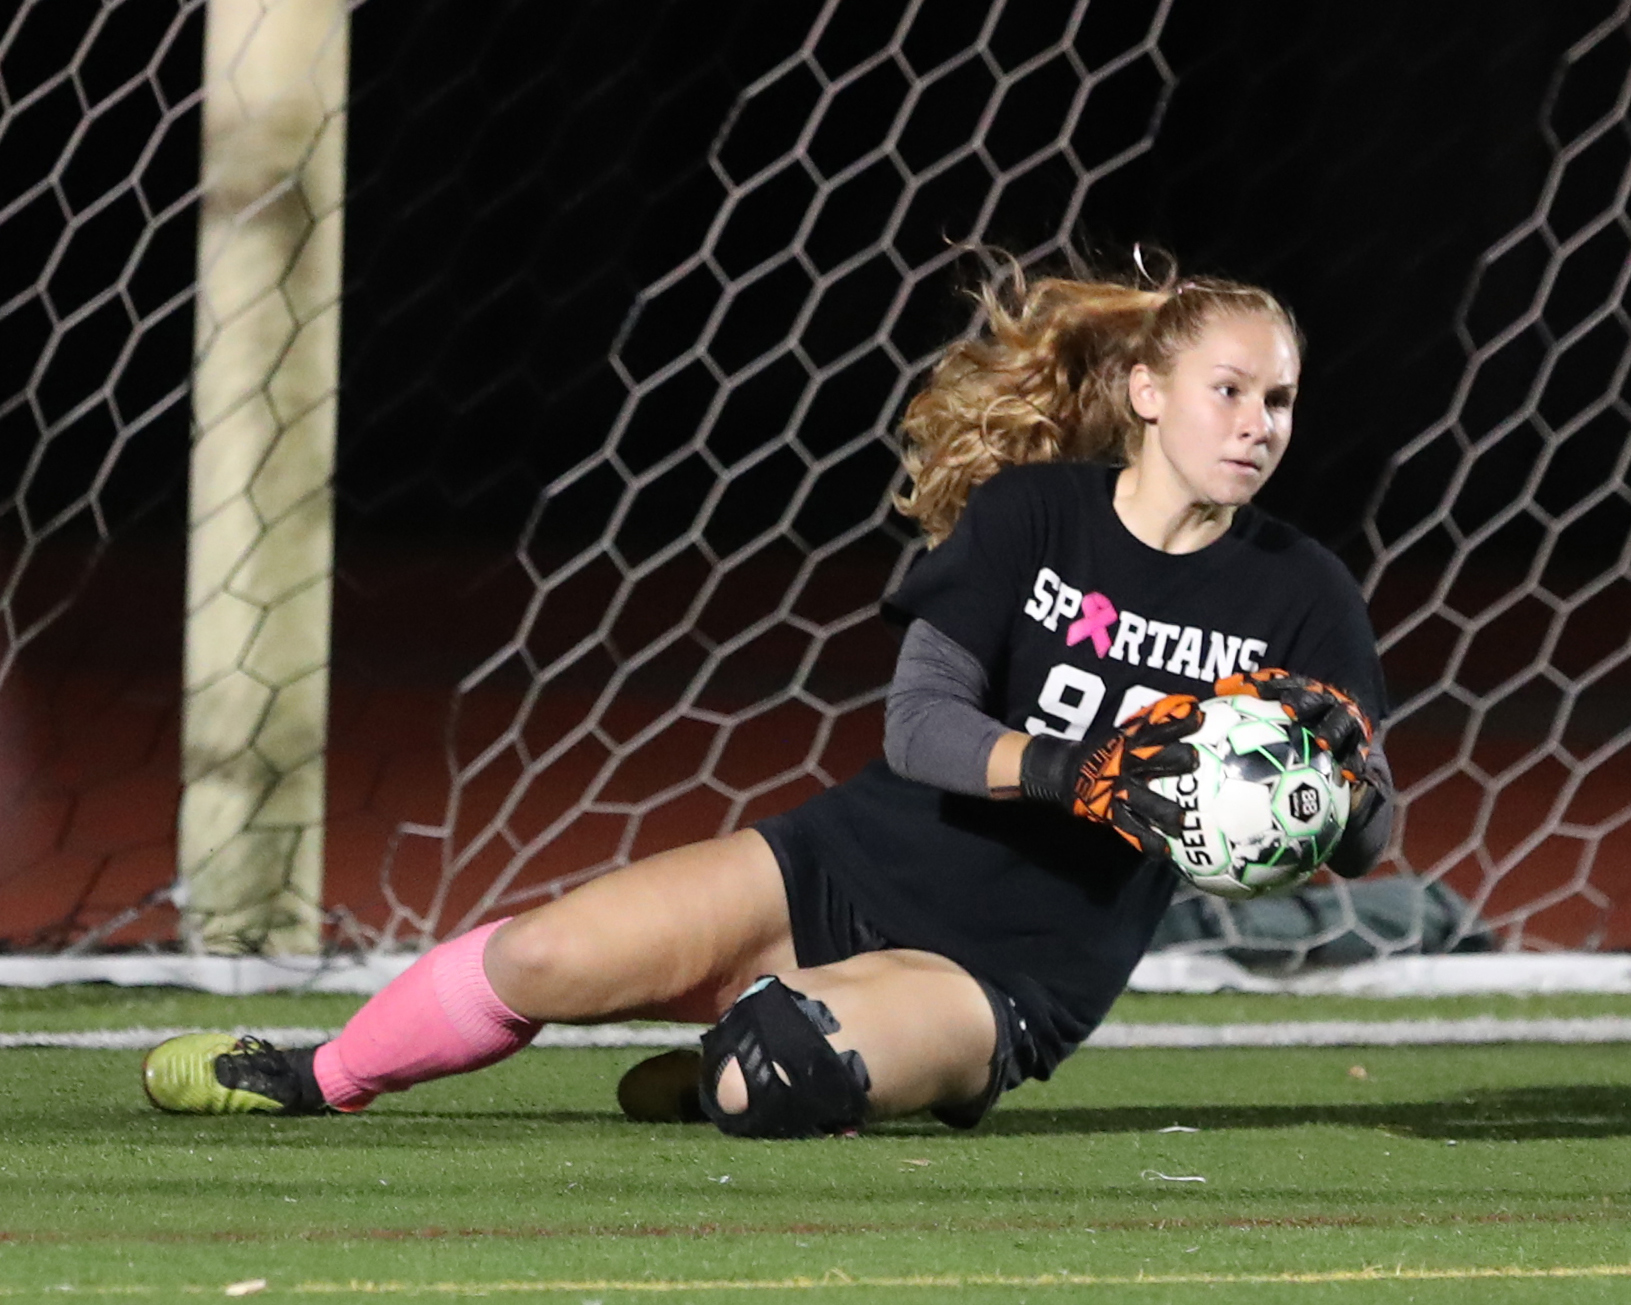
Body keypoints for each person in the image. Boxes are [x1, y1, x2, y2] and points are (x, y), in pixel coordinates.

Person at [141, 257, 1392, 1136]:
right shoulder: (1033, 518)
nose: (1257, 423)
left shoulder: (1299, 593)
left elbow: (1372, 834)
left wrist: (1345, 795)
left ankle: (805, 1067)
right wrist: (1081, 774)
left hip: (1009, 972)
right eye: (1229, 389)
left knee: (770, 1075)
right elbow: (920, 727)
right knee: (537, 953)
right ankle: (315, 1076)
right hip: (838, 867)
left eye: (1277, 398)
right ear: (1146, 393)